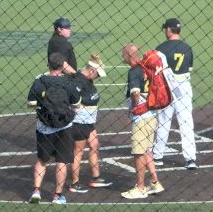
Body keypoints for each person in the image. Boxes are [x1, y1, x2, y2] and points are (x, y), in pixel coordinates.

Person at [27, 52, 81, 204]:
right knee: (61, 161)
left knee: (42, 160)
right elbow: (77, 104)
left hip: (44, 126)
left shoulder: (40, 81)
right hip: (65, 126)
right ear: (63, 65)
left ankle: (36, 191)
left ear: (48, 65)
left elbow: (31, 103)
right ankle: (57, 195)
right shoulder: (68, 83)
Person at [152, 18, 197, 170]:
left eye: (166, 28)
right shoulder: (187, 48)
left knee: (163, 122)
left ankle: (157, 156)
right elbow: (189, 69)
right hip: (183, 89)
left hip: (166, 89)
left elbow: (156, 72)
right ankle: (190, 159)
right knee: (186, 122)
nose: (165, 31)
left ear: (170, 30)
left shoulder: (160, 49)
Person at [121, 43, 164, 199]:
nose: (122, 56)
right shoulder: (145, 68)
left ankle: (140, 188)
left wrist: (134, 107)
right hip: (151, 115)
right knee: (147, 151)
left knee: (139, 152)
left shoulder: (134, 72)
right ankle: (154, 182)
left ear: (129, 55)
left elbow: (135, 93)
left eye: (123, 53)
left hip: (141, 117)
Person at [68, 54, 112, 193]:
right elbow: (72, 98)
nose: (98, 77)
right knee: (78, 152)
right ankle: (74, 184)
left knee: (94, 145)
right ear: (91, 71)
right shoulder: (79, 81)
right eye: (97, 74)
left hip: (88, 122)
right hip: (79, 122)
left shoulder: (87, 80)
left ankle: (96, 178)